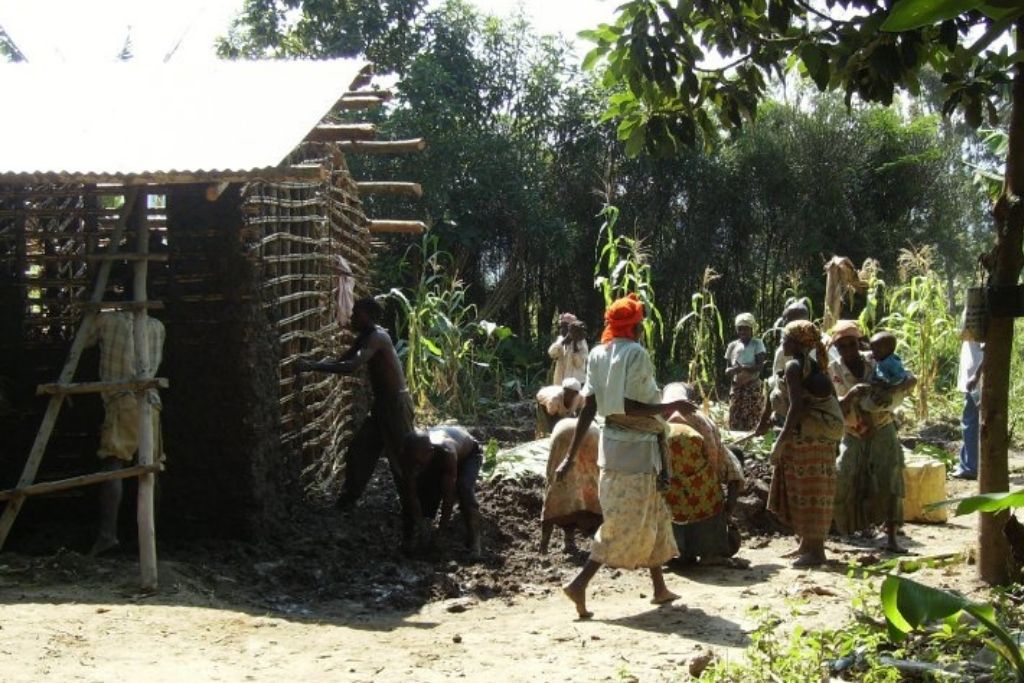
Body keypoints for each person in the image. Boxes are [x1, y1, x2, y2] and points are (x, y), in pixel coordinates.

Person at [556, 293, 696, 619]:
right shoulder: (635, 354)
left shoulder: (599, 353)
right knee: (623, 523)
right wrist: (672, 406)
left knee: (655, 513)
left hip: (615, 447)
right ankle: (580, 583)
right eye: (640, 324)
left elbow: (590, 407)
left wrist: (571, 455)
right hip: (637, 451)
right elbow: (630, 405)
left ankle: (659, 587)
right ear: (634, 326)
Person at [296, 297, 414, 510]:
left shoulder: (377, 337)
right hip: (382, 405)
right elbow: (342, 361)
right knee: (359, 450)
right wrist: (313, 364)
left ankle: (415, 504)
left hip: (396, 405)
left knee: (402, 456)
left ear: (369, 315)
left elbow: (350, 366)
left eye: (356, 314)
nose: (351, 317)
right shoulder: (365, 337)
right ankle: (348, 500)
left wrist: (311, 366)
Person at [84, 274, 166, 556]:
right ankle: (149, 536)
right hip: (151, 403)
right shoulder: (158, 327)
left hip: (122, 401)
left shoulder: (108, 321)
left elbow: (82, 342)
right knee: (149, 469)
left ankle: (108, 535)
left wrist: (91, 310)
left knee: (113, 465)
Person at [829, 320, 916, 552]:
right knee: (844, 474)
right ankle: (847, 528)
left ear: (859, 343)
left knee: (889, 477)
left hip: (881, 427)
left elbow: (909, 378)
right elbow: (831, 404)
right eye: (842, 346)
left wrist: (893, 389)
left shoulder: (877, 358)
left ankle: (891, 537)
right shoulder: (833, 370)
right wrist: (850, 395)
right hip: (853, 432)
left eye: (851, 344)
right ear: (836, 348)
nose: (848, 350)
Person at [767, 320, 844, 567]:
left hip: (814, 436)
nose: (781, 343)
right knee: (807, 488)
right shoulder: (808, 365)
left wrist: (780, 442)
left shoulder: (794, 366)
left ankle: (817, 552)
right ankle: (806, 545)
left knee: (812, 490)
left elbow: (797, 407)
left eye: (784, 339)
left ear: (797, 343)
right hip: (816, 434)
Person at [661, 383, 747, 568]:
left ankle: (682, 554)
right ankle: (711, 554)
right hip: (703, 487)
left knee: (673, 505)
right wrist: (727, 509)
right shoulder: (702, 421)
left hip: (673, 491)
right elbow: (726, 466)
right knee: (709, 501)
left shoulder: (659, 423)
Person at [401, 426, 483, 556]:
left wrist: (441, 531)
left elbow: (448, 496)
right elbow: (411, 493)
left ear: (430, 453)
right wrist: (420, 524)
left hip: (469, 454)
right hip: (437, 453)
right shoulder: (410, 455)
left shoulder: (447, 453)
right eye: (413, 461)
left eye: (418, 462)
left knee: (464, 488)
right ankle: (416, 535)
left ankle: (474, 541)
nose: (415, 466)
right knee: (425, 487)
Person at [540, 417, 601, 554]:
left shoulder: (559, 423)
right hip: (592, 435)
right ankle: (599, 548)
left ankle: (543, 547)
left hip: (563, 435)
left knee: (557, 488)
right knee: (591, 483)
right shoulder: (591, 422)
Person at [725, 313, 766, 431]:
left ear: (751, 329)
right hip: (736, 389)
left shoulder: (757, 344)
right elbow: (727, 370)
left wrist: (742, 368)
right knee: (735, 419)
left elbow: (759, 366)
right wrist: (732, 371)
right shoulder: (732, 346)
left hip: (752, 389)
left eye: (746, 329)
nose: (743, 331)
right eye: (740, 329)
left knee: (752, 420)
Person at [954, 340, 984, 480]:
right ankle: (968, 464)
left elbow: (989, 350)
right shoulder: (976, 324)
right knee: (971, 422)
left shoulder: (983, 320)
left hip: (976, 381)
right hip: (973, 379)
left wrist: (976, 375)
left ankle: (970, 467)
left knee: (970, 423)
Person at [549, 315, 588, 385]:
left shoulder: (581, 342)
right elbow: (551, 353)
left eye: (564, 326)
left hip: (575, 385)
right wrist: (563, 342)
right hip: (560, 382)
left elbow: (579, 364)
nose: (561, 329)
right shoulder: (560, 339)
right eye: (561, 326)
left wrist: (575, 344)